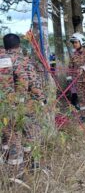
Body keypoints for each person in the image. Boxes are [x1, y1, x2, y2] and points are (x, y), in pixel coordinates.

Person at [0, 33, 45, 179]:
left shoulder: (1, 59)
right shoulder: (23, 61)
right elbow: (31, 82)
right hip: (24, 105)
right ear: (18, 45)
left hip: (4, 107)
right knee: (29, 135)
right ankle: (31, 165)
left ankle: (13, 171)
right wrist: (40, 100)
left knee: (10, 137)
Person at [67, 33, 85, 123]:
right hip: (78, 80)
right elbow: (70, 67)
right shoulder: (73, 55)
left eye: (76, 42)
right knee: (82, 98)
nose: (74, 44)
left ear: (81, 42)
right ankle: (84, 115)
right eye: (73, 43)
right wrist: (69, 77)